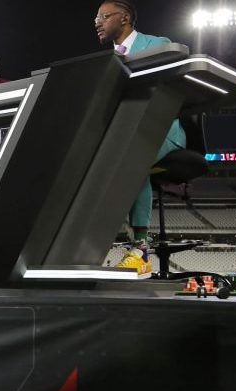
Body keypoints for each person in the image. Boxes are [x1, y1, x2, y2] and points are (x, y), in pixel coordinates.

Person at [96, 0, 187, 274]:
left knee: (131, 159)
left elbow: (172, 86)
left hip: (163, 133)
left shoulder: (157, 44)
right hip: (129, 135)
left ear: (124, 18)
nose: (97, 22)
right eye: (96, 18)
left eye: (103, 16)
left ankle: (141, 249)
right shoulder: (107, 62)